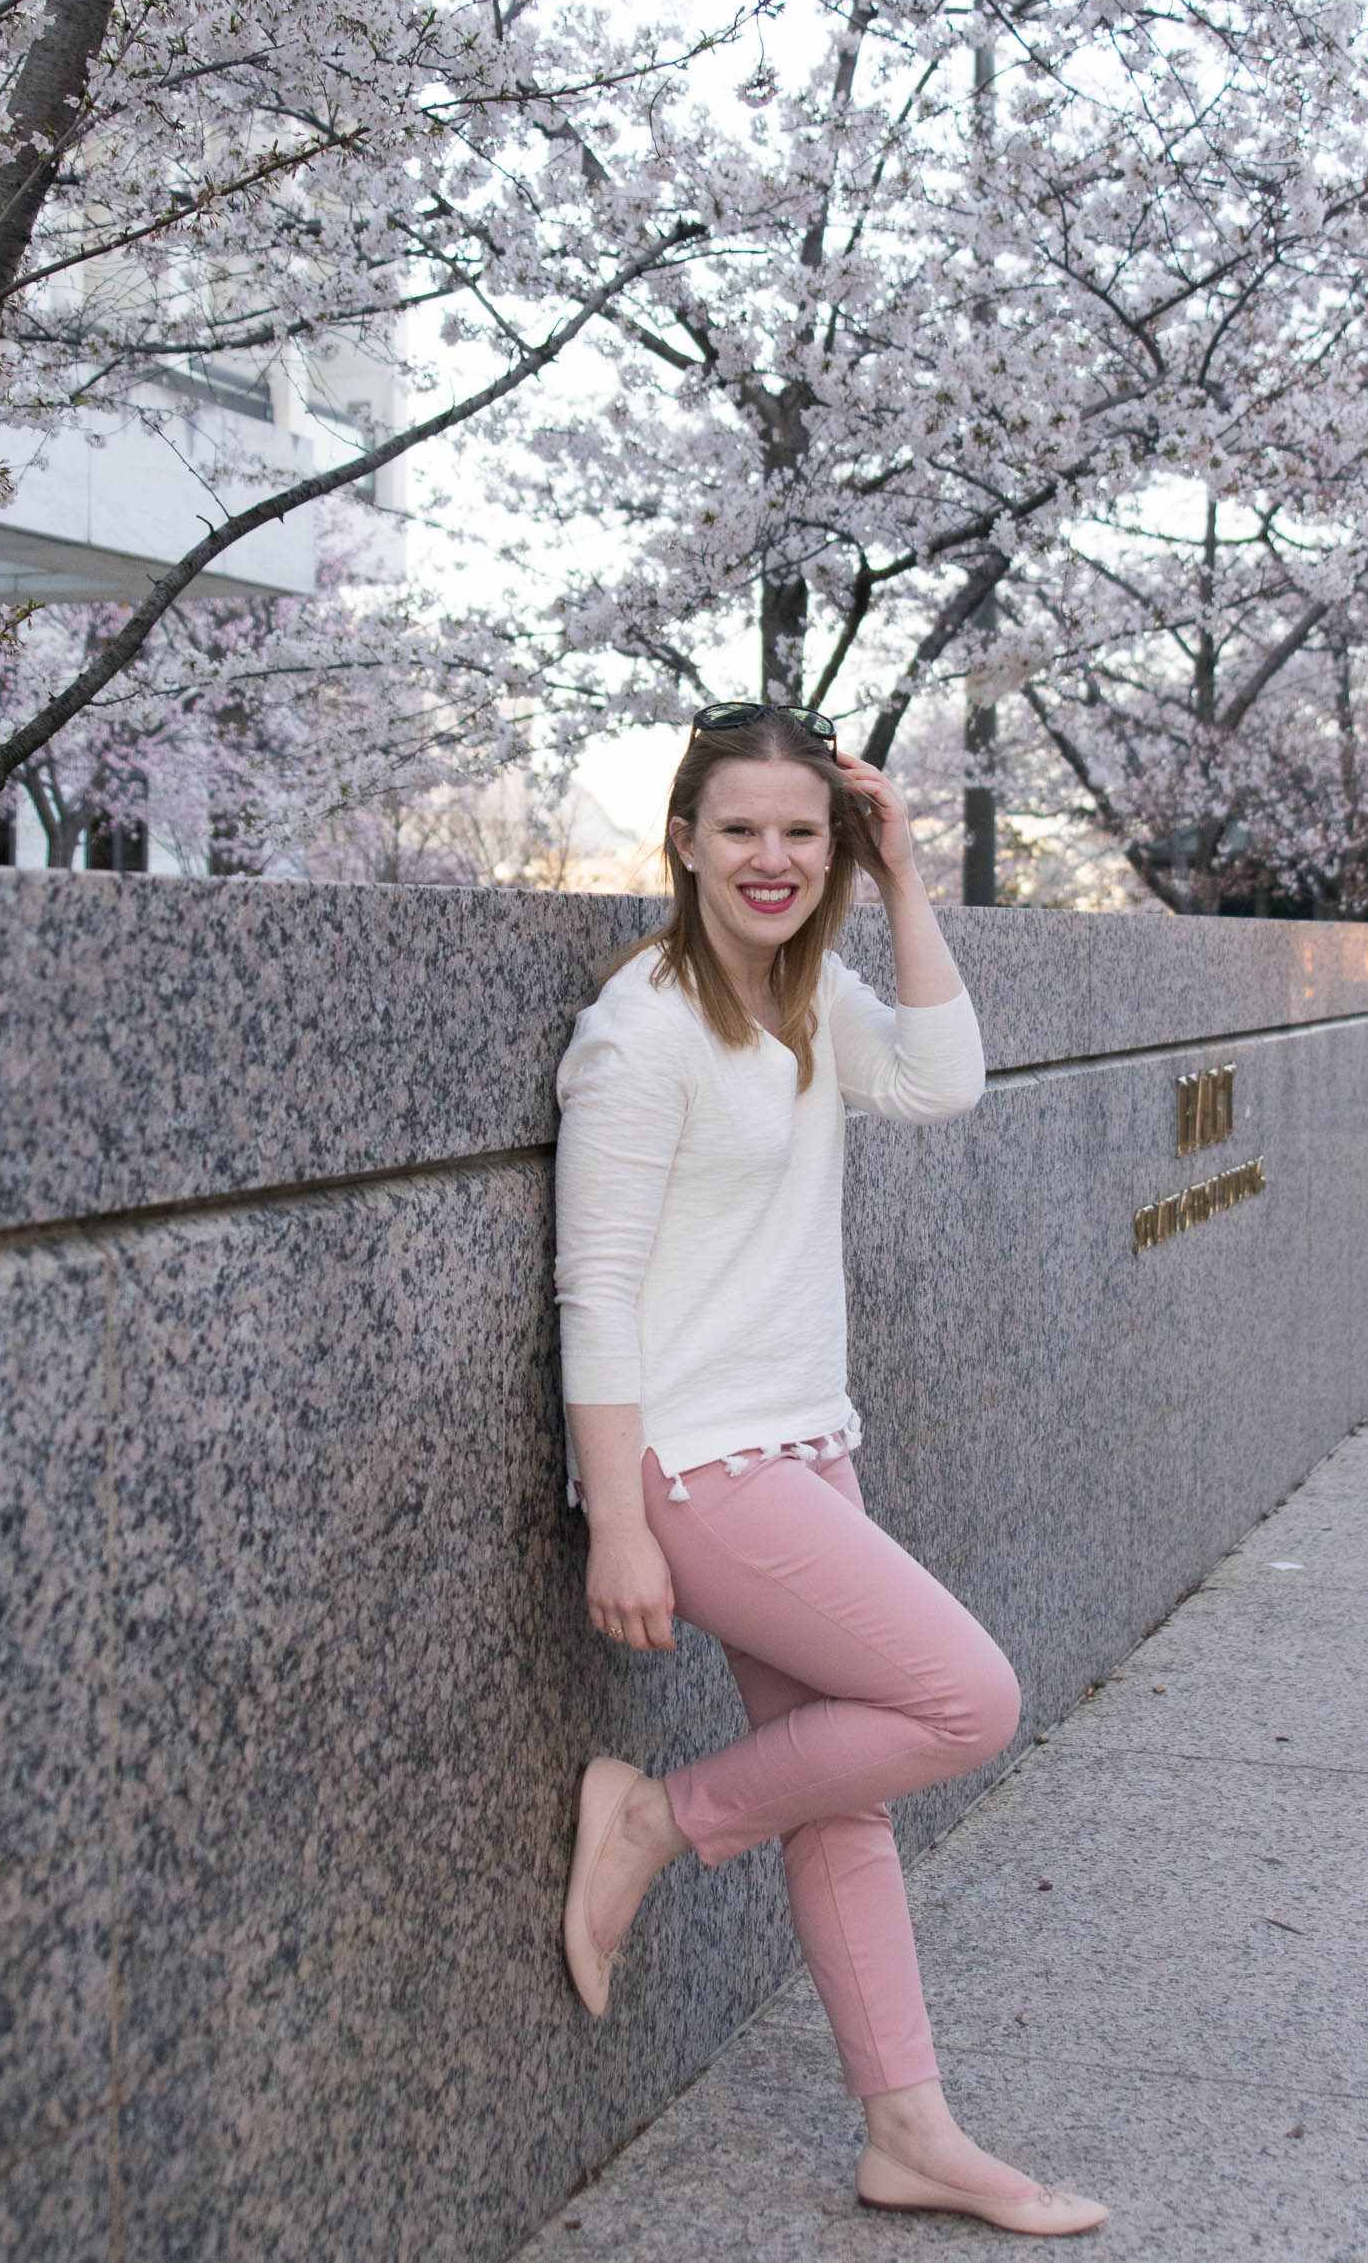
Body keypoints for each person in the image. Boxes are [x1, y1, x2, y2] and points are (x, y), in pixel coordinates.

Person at [553, 701, 1107, 2239]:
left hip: (799, 1444)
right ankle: (658, 1818)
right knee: (962, 1698)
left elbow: (946, 1082)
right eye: (741, 829)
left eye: (805, 830)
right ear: (683, 842)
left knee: (846, 1796)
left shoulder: (810, 1000)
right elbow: (592, 1291)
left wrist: (911, 881)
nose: (773, 858)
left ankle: (908, 2132)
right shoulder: (643, 1029)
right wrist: (618, 1524)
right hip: (690, 1467)